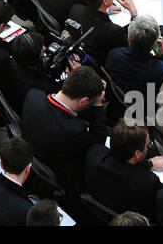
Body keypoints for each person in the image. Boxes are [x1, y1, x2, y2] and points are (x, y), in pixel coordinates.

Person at [20, 65, 107, 194]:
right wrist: (98, 104)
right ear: (83, 101)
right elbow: (99, 140)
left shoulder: (34, 95)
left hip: (33, 150)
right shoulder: (73, 130)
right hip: (63, 176)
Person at [84, 119, 163, 218]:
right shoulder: (147, 182)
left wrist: (150, 163)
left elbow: (120, 165)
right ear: (137, 153)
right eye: (148, 145)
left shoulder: (94, 155)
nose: (148, 147)